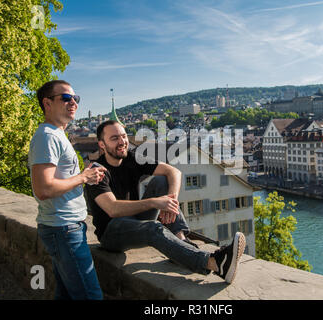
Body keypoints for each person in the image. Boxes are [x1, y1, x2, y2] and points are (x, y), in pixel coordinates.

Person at [84, 120, 246, 284]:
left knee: (162, 181)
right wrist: (155, 203)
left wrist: (171, 201)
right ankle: (214, 263)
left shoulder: (131, 158)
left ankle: (180, 240)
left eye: (124, 136)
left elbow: (173, 171)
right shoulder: (96, 172)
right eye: (114, 138)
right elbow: (113, 209)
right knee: (153, 228)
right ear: (102, 145)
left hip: (134, 219)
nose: (122, 142)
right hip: (112, 232)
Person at [28, 80, 106, 300]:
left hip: (64, 226)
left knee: (66, 295)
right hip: (63, 228)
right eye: (65, 98)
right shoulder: (47, 136)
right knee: (90, 296)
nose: (73, 102)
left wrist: (85, 178)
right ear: (47, 103)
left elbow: (57, 181)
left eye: (75, 98)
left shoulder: (57, 134)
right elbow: (43, 189)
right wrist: (82, 177)